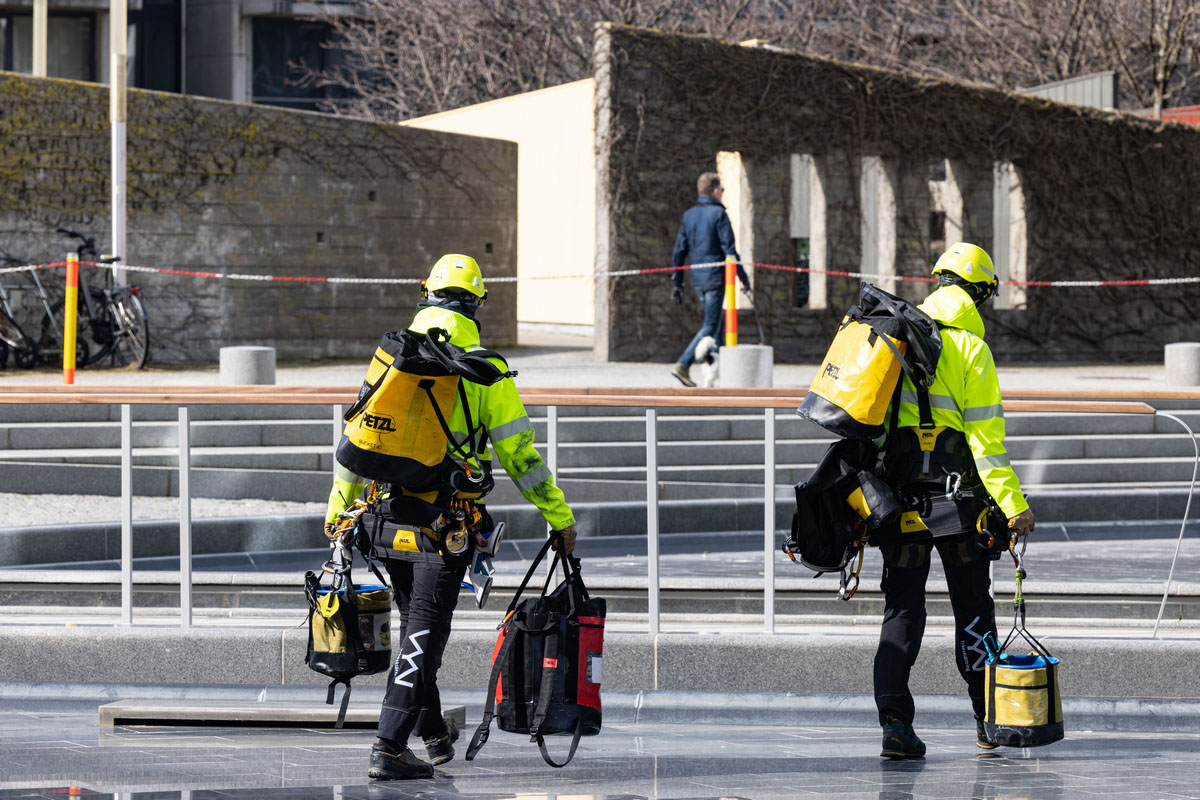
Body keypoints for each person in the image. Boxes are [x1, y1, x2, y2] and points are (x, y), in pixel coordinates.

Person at [323, 253, 578, 781]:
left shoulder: (391, 355)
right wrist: (559, 516)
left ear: (427, 294)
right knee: (425, 632)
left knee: (415, 620)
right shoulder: (483, 367)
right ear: (475, 303)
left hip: (383, 518)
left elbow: (358, 438)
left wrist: (338, 511)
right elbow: (521, 456)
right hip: (446, 524)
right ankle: (389, 746)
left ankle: (434, 736)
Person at [871, 242, 1036, 759]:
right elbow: (987, 442)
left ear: (939, 281)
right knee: (973, 610)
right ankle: (989, 722)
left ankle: (895, 728)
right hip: (958, 506)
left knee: (901, 610)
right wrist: (1014, 507)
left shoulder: (895, 336)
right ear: (980, 293)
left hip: (898, 503)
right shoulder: (971, 349)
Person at [669, 172, 751, 387]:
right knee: (711, 325)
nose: (722, 194)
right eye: (722, 190)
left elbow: (679, 251)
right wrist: (743, 278)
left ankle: (721, 373)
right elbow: (730, 252)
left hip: (697, 279)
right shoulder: (719, 215)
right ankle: (683, 365)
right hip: (715, 279)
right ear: (715, 191)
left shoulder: (689, 215)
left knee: (719, 327)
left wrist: (677, 282)